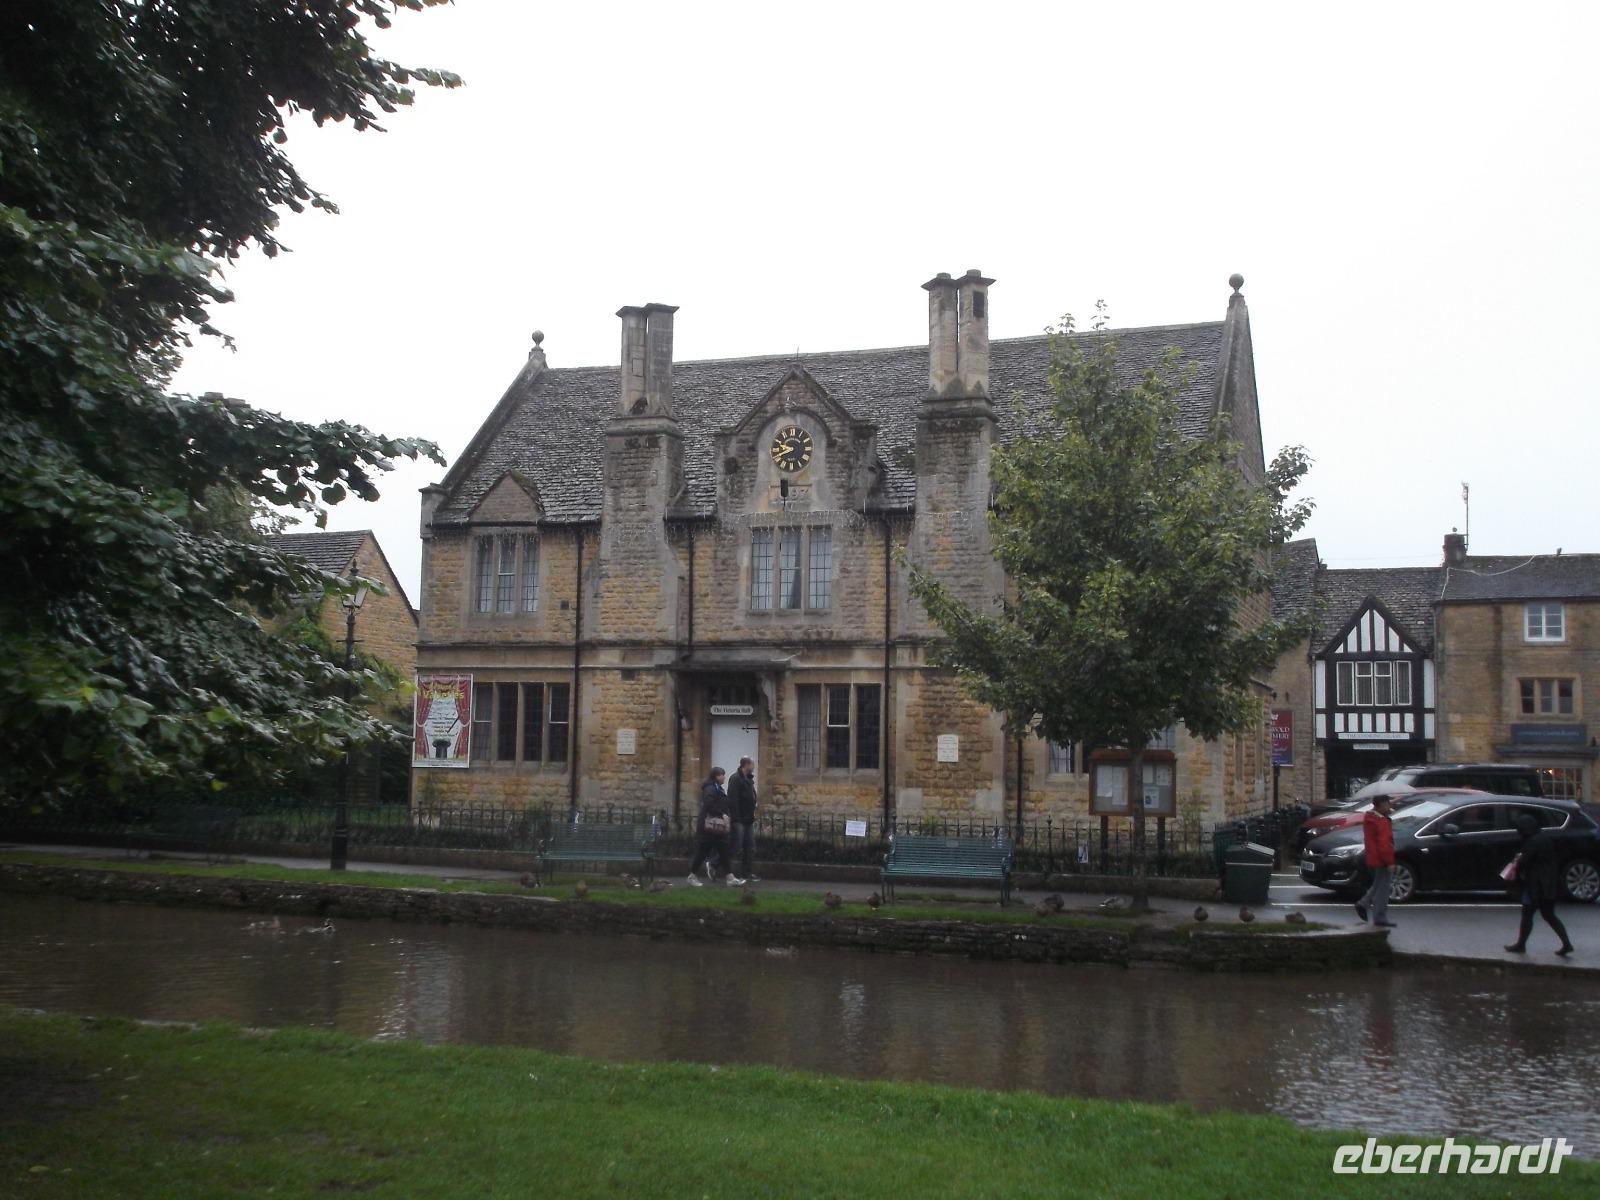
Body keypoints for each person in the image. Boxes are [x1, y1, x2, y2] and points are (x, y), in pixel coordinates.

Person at [1504, 815, 1575, 957]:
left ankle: (1521, 944)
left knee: (1527, 914)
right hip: (1547, 884)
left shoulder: (1532, 842)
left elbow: (1524, 861)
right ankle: (1566, 943)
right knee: (1549, 915)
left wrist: (1516, 863)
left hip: (1536, 885)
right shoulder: (1543, 839)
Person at [688, 768, 744, 887]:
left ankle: (730, 877)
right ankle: (692, 875)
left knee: (723, 851)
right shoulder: (711, 788)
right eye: (722, 775)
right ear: (716, 776)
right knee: (702, 852)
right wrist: (722, 814)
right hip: (709, 827)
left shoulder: (718, 788)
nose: (724, 777)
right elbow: (709, 804)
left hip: (716, 828)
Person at [1354, 794, 1396, 927]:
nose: (1389, 805)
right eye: (1387, 803)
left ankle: (1363, 903)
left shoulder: (1370, 818)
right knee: (1383, 888)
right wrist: (1390, 861)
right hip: (1381, 859)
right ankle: (1379, 916)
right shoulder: (1381, 821)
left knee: (1378, 884)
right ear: (1381, 805)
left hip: (1373, 857)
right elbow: (1384, 844)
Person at [728, 755, 760, 883]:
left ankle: (746, 874)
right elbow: (732, 799)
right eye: (752, 764)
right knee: (736, 846)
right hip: (740, 819)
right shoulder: (736, 779)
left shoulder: (748, 779)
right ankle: (714, 864)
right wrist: (735, 818)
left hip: (748, 819)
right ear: (746, 765)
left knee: (750, 847)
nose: (754, 767)